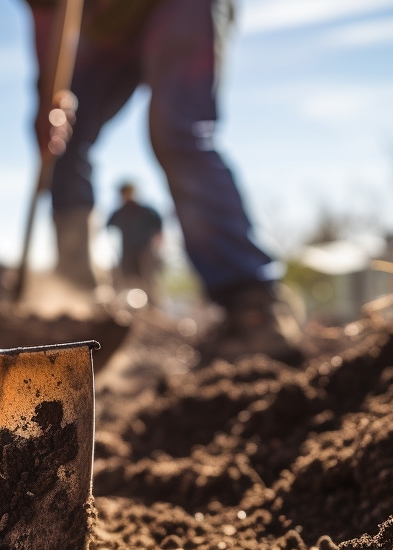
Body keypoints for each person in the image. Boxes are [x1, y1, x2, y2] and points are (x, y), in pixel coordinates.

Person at [23, 0, 301, 362]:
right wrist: (50, 99)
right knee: (63, 142)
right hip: (110, 32)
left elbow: (153, 226)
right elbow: (46, 14)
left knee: (176, 131)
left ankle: (251, 305)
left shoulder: (143, 212)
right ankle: (76, 306)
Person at [106, 180, 163, 302]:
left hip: (145, 250)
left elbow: (159, 227)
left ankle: (153, 304)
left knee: (148, 278)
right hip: (127, 251)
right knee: (127, 277)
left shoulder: (147, 211)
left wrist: (158, 243)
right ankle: (130, 304)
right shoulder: (119, 212)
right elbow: (108, 226)